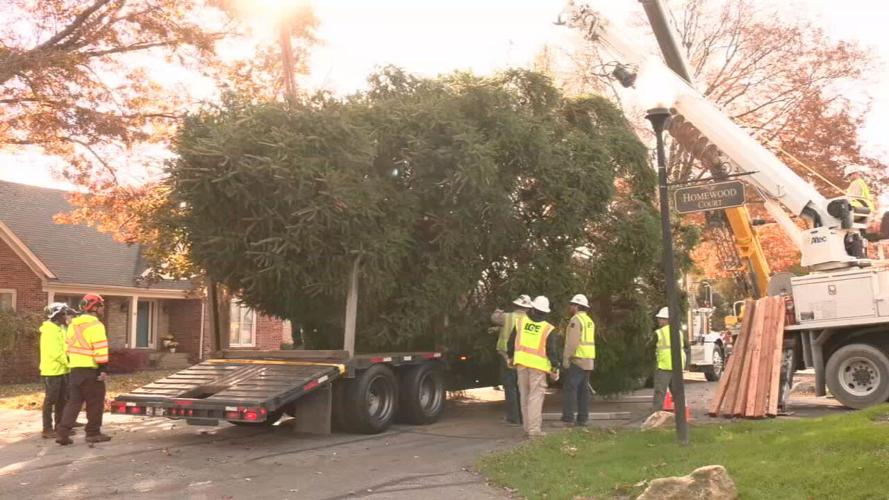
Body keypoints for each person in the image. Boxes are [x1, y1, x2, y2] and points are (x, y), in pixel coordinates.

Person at [56, 294, 111, 445]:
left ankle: (62, 433)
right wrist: (102, 369)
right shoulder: (96, 325)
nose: (103, 309)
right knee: (95, 402)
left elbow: (67, 347)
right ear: (94, 308)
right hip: (91, 370)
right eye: (101, 306)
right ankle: (93, 433)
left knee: (73, 403)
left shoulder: (73, 325)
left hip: (74, 370)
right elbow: (100, 348)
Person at [507, 295, 559, 438]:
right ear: (546, 312)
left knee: (524, 396)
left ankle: (527, 428)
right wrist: (555, 367)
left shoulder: (521, 322)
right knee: (535, 398)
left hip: (521, 364)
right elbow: (551, 351)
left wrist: (510, 357)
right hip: (538, 367)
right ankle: (534, 430)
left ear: (533, 309)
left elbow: (511, 343)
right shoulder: (547, 328)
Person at [491, 295, 532, 426]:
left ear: (516, 305)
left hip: (506, 355)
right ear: (527, 308)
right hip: (522, 356)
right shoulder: (529, 320)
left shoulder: (507, 317)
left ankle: (513, 418)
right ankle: (522, 416)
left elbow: (494, 318)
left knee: (510, 387)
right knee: (521, 387)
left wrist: (499, 309)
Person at [39, 303, 75, 439]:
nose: (65, 316)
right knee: (51, 400)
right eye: (63, 314)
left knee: (62, 400)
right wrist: (70, 364)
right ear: (55, 316)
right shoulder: (49, 331)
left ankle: (60, 427)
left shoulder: (59, 329)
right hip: (52, 371)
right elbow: (56, 353)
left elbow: (65, 348)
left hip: (62, 370)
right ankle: (47, 429)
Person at [561, 294, 596, 427]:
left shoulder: (576, 320)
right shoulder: (589, 321)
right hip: (588, 360)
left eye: (572, 304)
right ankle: (583, 418)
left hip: (577, 359)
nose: (570, 307)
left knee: (571, 388)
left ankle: (568, 418)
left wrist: (566, 359)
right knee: (583, 390)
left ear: (577, 306)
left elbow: (572, 343)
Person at [651, 306, 686, 413]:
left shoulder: (659, 333)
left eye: (661, 318)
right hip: (677, 365)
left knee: (659, 391)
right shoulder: (678, 332)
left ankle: (656, 414)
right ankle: (680, 414)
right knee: (677, 392)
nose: (659, 321)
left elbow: (649, 346)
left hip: (664, 365)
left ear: (667, 320)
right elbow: (686, 346)